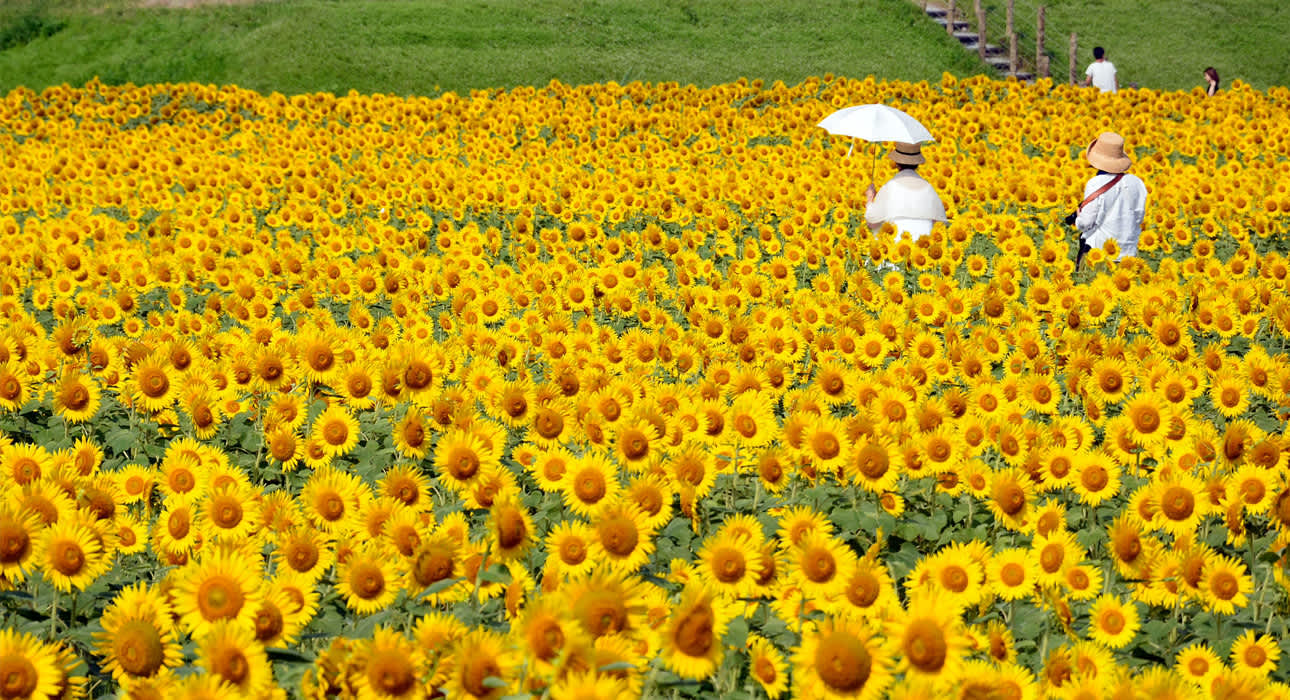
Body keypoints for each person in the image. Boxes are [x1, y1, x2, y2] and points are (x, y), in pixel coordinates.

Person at [1073, 132, 1148, 265]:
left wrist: (1078, 219)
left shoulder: (1095, 183)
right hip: (1129, 256)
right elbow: (1138, 218)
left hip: (1100, 255)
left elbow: (1086, 222)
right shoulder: (1137, 183)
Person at [863, 142, 947, 243]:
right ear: (917, 163)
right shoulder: (929, 188)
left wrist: (870, 197)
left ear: (896, 163)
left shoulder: (890, 187)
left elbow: (872, 222)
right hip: (924, 249)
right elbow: (940, 224)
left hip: (894, 250)